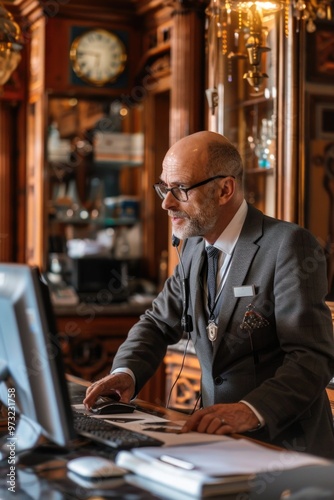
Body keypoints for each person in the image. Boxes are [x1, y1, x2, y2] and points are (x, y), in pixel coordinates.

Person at [84, 130, 334, 458]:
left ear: (224, 189)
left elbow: (311, 357)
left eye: (180, 189)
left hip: (285, 450)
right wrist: (124, 372)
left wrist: (250, 409)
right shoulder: (192, 248)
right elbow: (157, 323)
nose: (166, 202)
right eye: (164, 187)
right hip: (217, 446)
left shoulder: (288, 245)